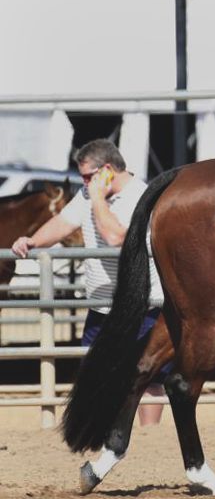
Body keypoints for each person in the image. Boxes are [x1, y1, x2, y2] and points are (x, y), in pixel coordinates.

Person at [12, 139, 166, 426]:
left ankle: (150, 438)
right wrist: (33, 241)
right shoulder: (87, 193)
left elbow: (115, 238)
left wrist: (96, 198)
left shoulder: (140, 196)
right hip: (102, 305)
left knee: (147, 376)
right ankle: (109, 434)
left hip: (142, 304)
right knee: (96, 373)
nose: (84, 183)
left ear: (107, 170)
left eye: (88, 176)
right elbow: (63, 224)